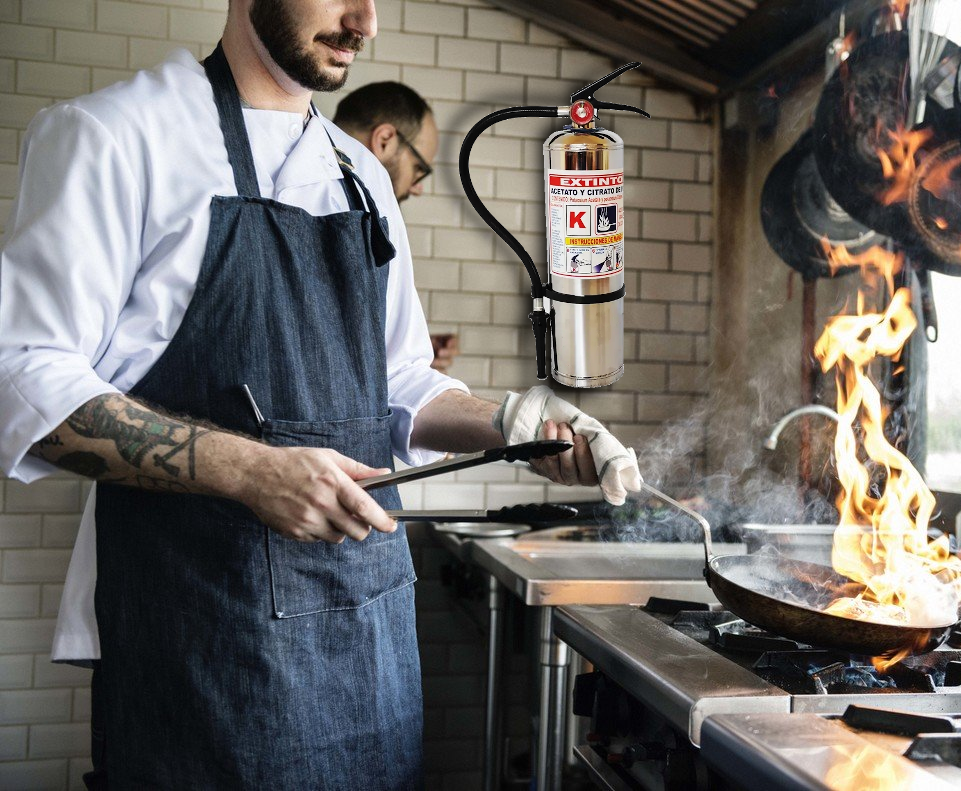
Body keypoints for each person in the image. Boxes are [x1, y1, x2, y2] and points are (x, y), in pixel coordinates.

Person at [0, 1, 638, 787]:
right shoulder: (116, 137)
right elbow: (23, 375)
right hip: (202, 651)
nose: (364, 21)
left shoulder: (361, 176)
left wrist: (514, 421)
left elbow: (399, 382)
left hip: (369, 649)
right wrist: (248, 470)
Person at [333, 81, 458, 372]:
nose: (417, 189)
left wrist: (405, 353)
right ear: (385, 140)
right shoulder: (341, 214)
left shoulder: (368, 216)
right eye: (419, 169)